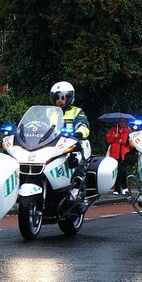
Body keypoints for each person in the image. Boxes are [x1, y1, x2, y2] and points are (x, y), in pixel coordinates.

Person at [50, 81, 90, 211]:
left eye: (63, 97)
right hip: (54, 146)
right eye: (57, 98)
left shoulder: (77, 112)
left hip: (74, 145)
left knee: (78, 165)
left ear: (69, 98)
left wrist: (78, 134)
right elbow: (40, 125)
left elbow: (84, 126)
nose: (60, 101)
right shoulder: (50, 113)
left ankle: (80, 195)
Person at [105, 117, 133, 195]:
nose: (122, 123)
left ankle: (124, 187)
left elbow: (131, 143)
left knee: (123, 172)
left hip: (124, 155)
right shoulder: (113, 130)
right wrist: (116, 138)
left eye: (123, 121)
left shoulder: (129, 132)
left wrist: (123, 142)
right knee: (116, 172)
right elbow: (108, 139)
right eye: (120, 121)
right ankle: (117, 189)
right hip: (114, 154)